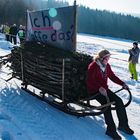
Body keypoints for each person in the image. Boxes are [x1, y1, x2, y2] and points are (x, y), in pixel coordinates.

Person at [86, 49, 134, 140]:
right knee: (106, 105)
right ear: (101, 58)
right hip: (94, 90)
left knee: (119, 101)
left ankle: (123, 125)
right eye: (107, 58)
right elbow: (89, 80)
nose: (108, 59)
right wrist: (99, 88)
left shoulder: (106, 66)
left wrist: (122, 83)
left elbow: (112, 76)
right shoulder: (93, 66)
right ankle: (111, 130)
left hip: (104, 89)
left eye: (109, 57)